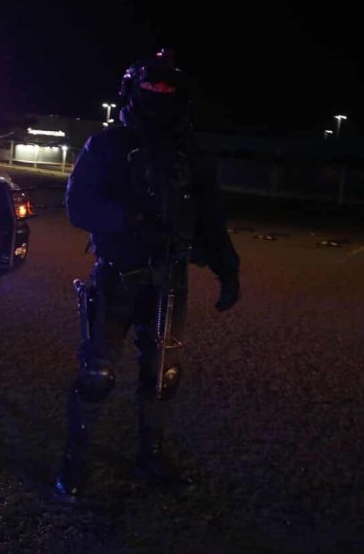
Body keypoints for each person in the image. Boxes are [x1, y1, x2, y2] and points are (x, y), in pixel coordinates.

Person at [56, 49, 240, 498]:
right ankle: (74, 459)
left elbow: (211, 217)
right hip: (117, 274)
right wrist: (131, 219)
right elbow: (78, 205)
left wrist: (227, 269)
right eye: (151, 86)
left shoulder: (192, 154)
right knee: (97, 375)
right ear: (132, 90)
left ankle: (151, 457)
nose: (159, 93)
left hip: (170, 279)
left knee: (163, 376)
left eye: (167, 87)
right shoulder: (107, 145)